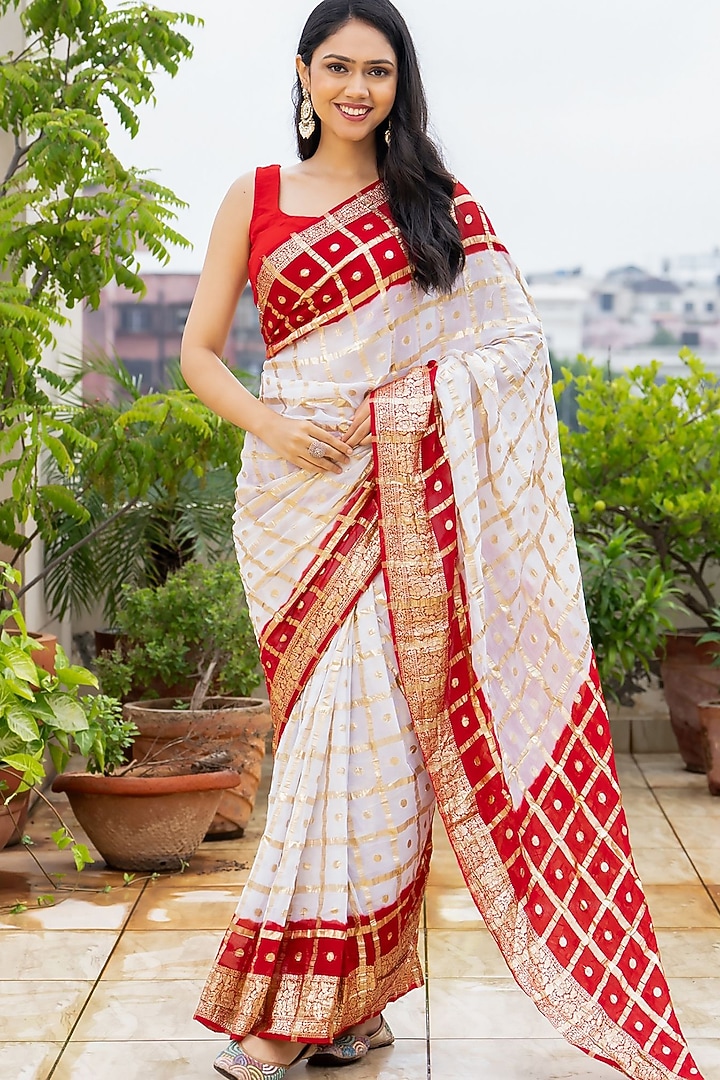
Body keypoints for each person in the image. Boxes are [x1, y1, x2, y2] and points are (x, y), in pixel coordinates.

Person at [180, 2, 704, 1078]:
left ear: (399, 83)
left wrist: (394, 416)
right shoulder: (255, 197)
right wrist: (276, 428)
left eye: (377, 71)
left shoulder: (434, 202)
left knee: (370, 751)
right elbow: (199, 352)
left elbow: (512, 348)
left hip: (402, 505)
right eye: (338, 67)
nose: (357, 89)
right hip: (292, 504)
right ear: (303, 73)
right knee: (324, 741)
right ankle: (350, 1005)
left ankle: (301, 1013)